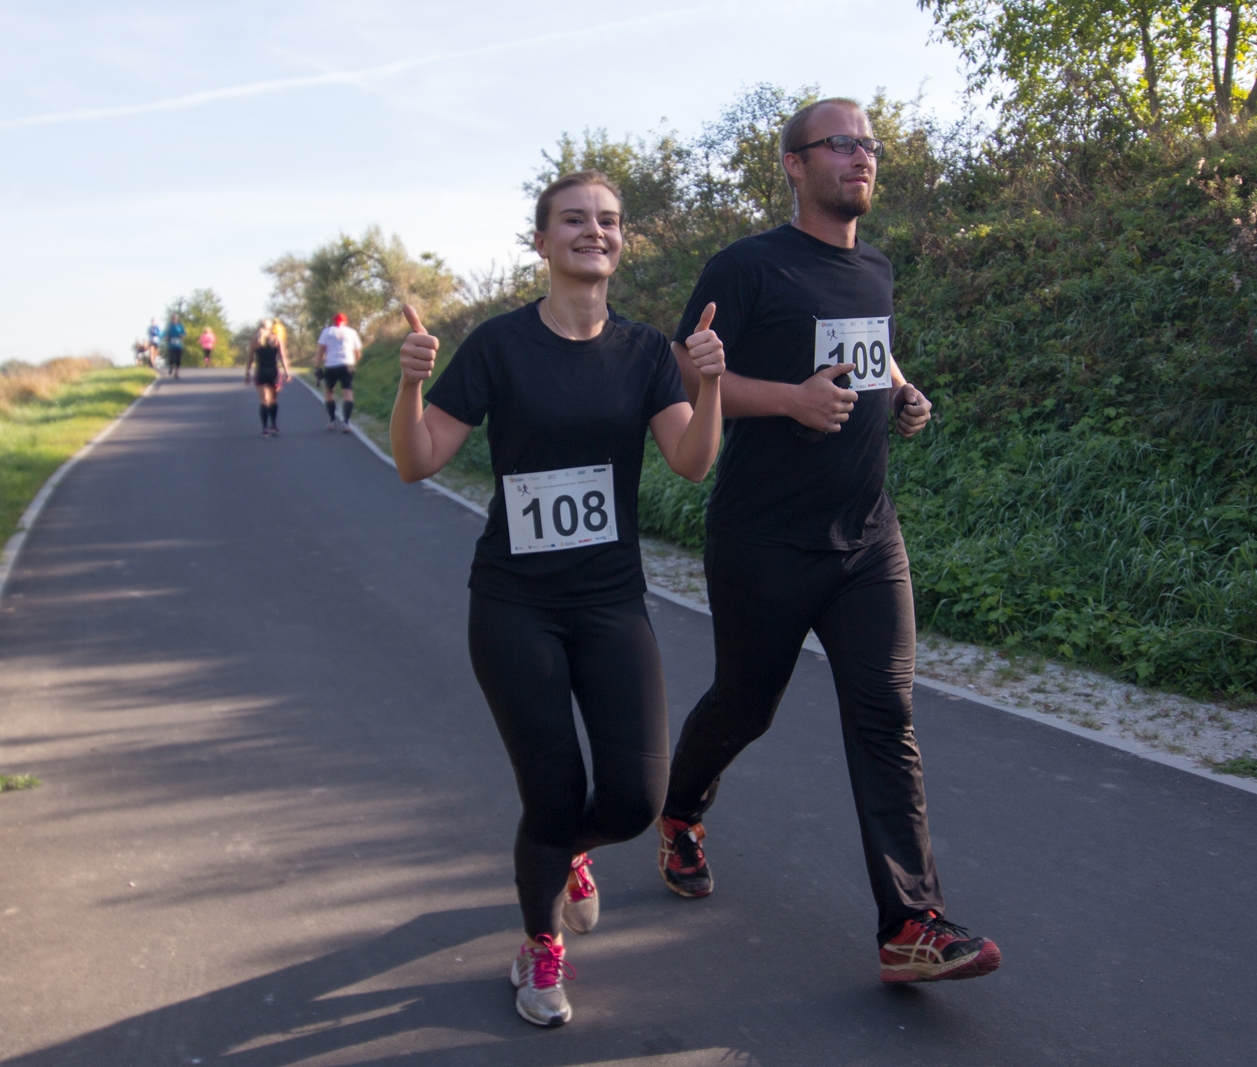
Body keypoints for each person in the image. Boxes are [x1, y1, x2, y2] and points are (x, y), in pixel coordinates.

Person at [656, 98, 1003, 985]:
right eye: (841, 143)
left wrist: (904, 390)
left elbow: (869, 354)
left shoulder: (875, 268)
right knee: (746, 702)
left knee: (886, 717)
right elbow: (687, 372)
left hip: (866, 540)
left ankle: (910, 922)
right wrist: (792, 400)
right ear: (794, 164)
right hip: (764, 539)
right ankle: (681, 811)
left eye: (870, 145)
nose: (863, 156)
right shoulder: (747, 266)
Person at [391, 170, 724, 1028]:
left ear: (622, 239)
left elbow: (691, 460)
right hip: (514, 605)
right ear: (540, 242)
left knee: (633, 799)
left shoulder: (649, 351)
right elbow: (418, 458)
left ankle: (572, 854)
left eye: (607, 221)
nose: (593, 232)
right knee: (550, 791)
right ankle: (540, 947)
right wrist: (406, 388)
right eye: (573, 220)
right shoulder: (499, 347)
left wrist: (712, 384)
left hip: (611, 600)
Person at [316, 313, 363, 433]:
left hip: (331, 366)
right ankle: (346, 422)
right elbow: (357, 352)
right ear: (345, 321)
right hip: (347, 364)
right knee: (347, 393)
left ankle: (332, 420)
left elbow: (321, 350)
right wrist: (354, 363)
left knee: (329, 392)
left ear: (333, 321)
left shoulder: (327, 332)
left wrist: (317, 366)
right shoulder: (351, 332)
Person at [245, 319, 290, 436]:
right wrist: (286, 372)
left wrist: (247, 373)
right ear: (271, 328)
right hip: (273, 371)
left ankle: (264, 428)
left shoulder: (255, 341)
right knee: (273, 400)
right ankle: (273, 425)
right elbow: (283, 357)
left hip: (261, 372)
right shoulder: (276, 339)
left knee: (264, 400)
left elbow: (250, 358)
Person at [165, 313, 187, 379]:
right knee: (171, 358)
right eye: (173, 318)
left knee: (178, 359)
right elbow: (165, 333)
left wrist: (182, 335)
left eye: (175, 318)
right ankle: (171, 367)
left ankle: (176, 373)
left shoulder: (180, 326)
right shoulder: (169, 326)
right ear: (171, 319)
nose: (174, 319)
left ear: (177, 319)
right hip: (171, 345)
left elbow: (184, 333)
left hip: (178, 345)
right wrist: (167, 337)